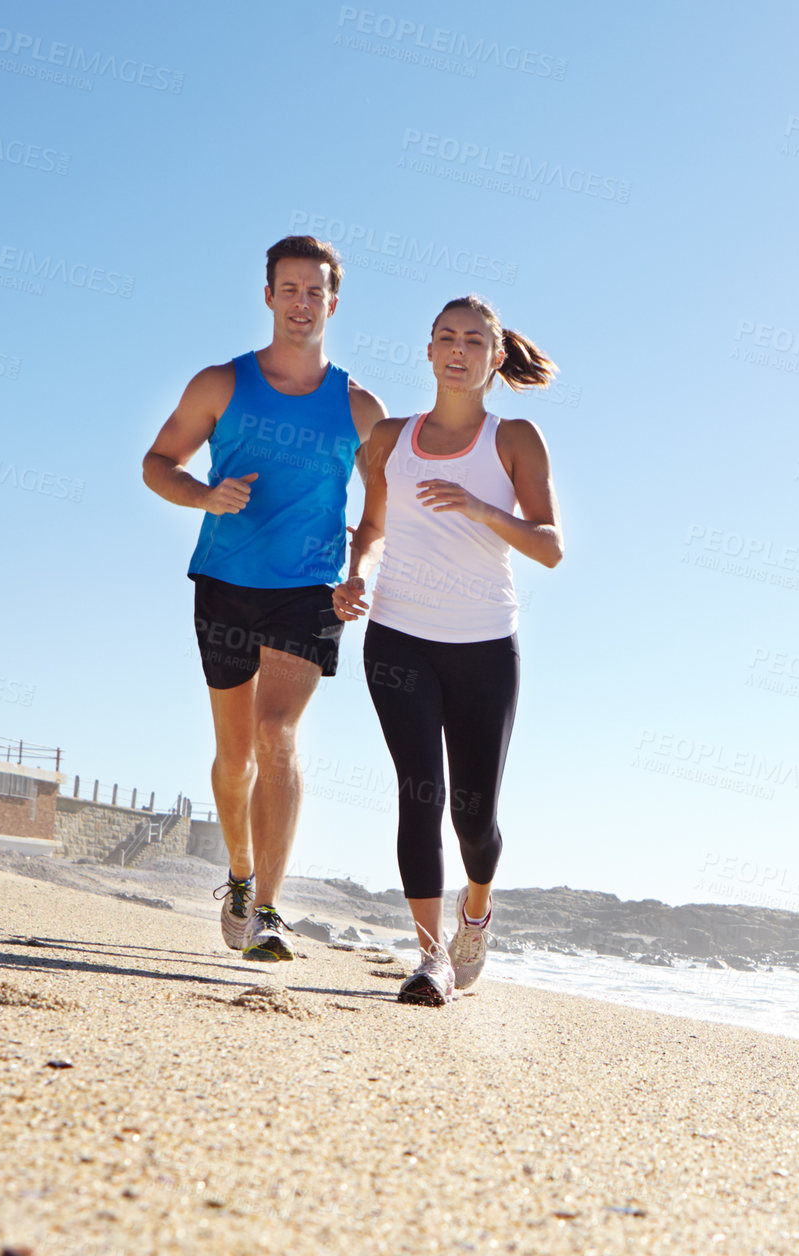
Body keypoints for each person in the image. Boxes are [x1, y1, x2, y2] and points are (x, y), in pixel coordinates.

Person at [142, 236, 387, 961]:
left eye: (315, 292)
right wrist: (204, 496)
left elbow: (379, 511)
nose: (302, 303)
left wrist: (358, 569)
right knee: (235, 753)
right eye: (290, 289)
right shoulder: (221, 384)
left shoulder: (361, 406)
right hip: (224, 583)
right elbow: (158, 463)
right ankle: (241, 877)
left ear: (332, 304)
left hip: (308, 590)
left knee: (277, 733)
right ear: (269, 297)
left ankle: (271, 912)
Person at [333, 294, 562, 1005]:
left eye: (472, 340)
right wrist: (355, 580)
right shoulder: (390, 440)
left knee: (474, 817)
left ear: (496, 358)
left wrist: (482, 508)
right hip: (398, 634)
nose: (457, 349)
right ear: (428, 352)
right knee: (418, 794)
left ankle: (477, 909)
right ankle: (430, 958)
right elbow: (369, 529)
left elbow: (550, 547)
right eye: (444, 337)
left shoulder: (515, 438)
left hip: (484, 643)